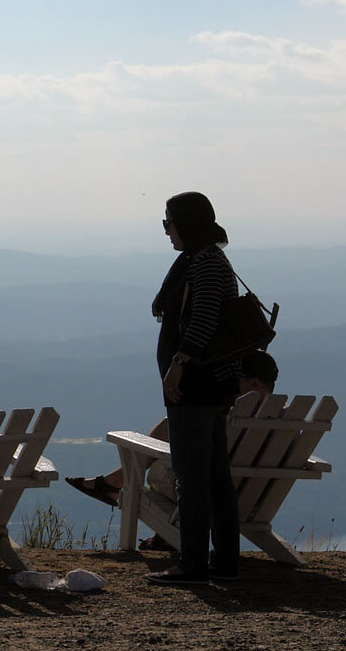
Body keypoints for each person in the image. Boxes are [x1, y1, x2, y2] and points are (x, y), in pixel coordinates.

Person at [143, 192, 242, 585]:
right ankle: (224, 561)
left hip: (197, 385)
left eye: (168, 222)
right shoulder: (207, 260)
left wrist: (178, 366)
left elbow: (201, 320)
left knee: (193, 476)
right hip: (214, 385)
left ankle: (193, 563)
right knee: (215, 476)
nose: (166, 230)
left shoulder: (204, 265)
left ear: (187, 222)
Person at [66, 349, 278, 517]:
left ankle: (114, 482)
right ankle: (116, 485)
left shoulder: (237, 418)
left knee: (164, 453)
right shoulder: (283, 420)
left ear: (254, 383)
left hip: (212, 496)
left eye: (238, 379)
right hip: (257, 502)